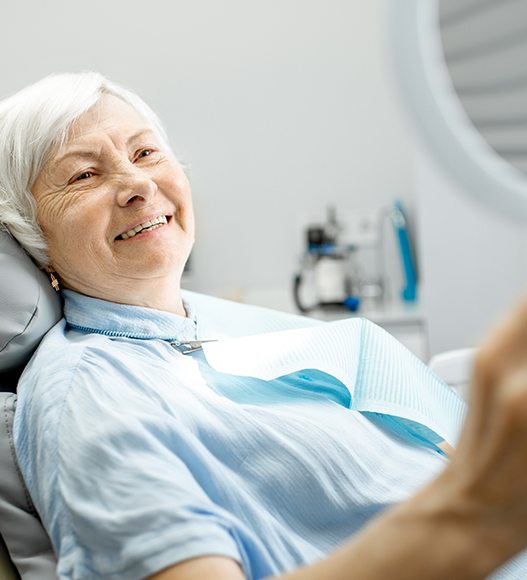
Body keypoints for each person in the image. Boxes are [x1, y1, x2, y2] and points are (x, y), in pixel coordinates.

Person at [2, 72, 527, 580]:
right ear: (33, 238)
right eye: (83, 176)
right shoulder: (90, 392)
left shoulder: (206, 329)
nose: (137, 183)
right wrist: (473, 518)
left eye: (145, 153)